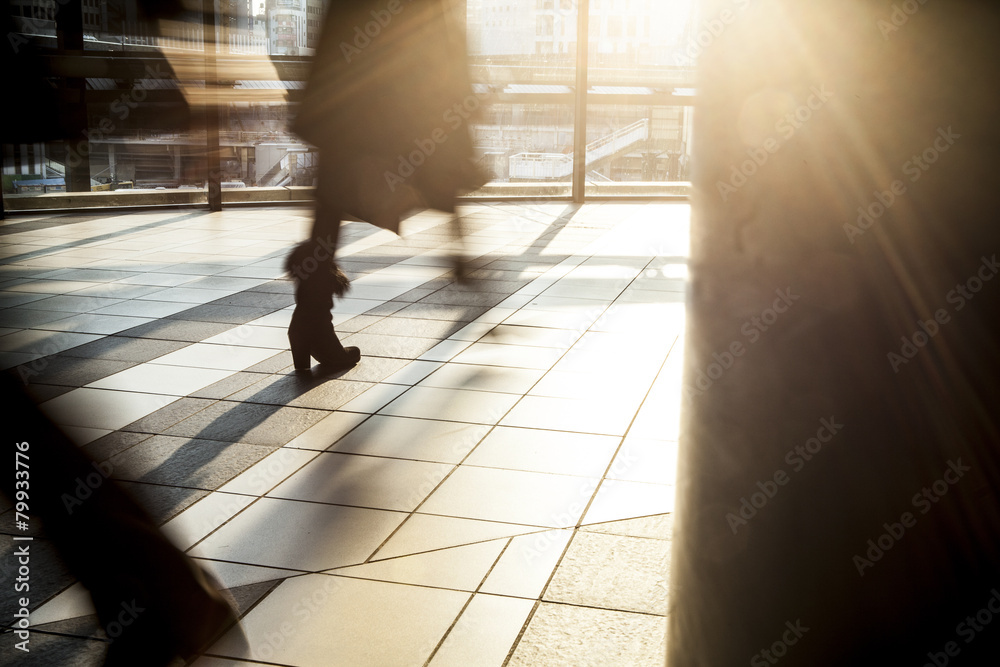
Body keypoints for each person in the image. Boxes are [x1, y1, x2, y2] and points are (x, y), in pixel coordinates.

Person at [285, 0, 485, 371]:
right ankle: (311, 323)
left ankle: (310, 321)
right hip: (393, 84)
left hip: (352, 85)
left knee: (332, 197)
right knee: (348, 193)